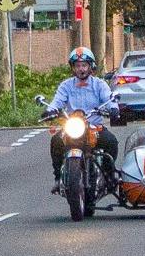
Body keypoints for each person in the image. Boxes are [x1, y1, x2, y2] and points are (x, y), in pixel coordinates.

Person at [47, 47, 119, 190]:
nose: (81, 69)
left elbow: (108, 98)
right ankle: (58, 177)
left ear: (90, 66)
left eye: (84, 65)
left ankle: (108, 174)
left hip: (94, 127)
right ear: (73, 68)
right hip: (72, 126)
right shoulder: (66, 85)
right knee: (55, 141)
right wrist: (50, 111)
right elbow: (57, 100)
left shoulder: (99, 84)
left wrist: (113, 108)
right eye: (78, 65)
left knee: (111, 141)